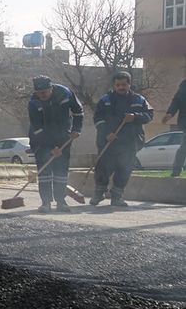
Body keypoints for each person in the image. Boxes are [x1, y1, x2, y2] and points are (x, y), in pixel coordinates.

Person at [92, 72, 154, 207]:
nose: (121, 87)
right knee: (103, 168)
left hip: (129, 142)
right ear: (114, 85)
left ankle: (117, 197)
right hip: (108, 141)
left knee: (124, 169)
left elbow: (149, 115)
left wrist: (135, 117)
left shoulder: (139, 100)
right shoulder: (105, 100)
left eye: (124, 84)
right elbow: (98, 119)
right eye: (118, 85)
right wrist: (106, 133)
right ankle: (99, 193)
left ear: (129, 84)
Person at [27, 76, 84, 213]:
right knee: (45, 171)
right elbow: (38, 128)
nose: (42, 95)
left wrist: (76, 129)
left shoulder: (66, 93)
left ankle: (61, 201)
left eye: (45, 92)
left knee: (61, 171)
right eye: (39, 93)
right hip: (40, 139)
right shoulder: (33, 103)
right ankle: (46, 202)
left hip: (64, 136)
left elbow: (78, 112)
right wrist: (51, 148)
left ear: (51, 88)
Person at [162, 79, 186, 177]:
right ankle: (176, 171)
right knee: (184, 148)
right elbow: (177, 101)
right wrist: (170, 113)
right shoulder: (184, 86)